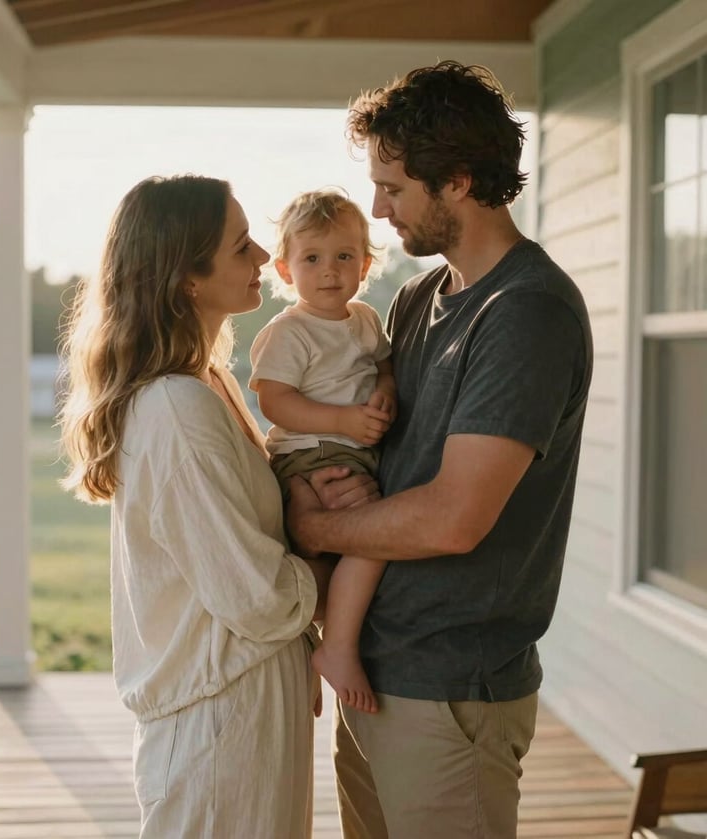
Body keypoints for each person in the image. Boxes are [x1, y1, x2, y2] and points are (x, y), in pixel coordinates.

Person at [285, 61, 594, 839]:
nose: (378, 208)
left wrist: (316, 530)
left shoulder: (526, 312)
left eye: (393, 187)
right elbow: (385, 460)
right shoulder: (423, 296)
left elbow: (453, 518)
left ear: (456, 180)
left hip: (453, 692)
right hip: (374, 671)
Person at [58, 174, 364, 838]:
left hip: (252, 704)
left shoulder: (212, 380)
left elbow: (243, 534)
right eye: (240, 245)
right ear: (187, 277)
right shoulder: (174, 407)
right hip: (220, 724)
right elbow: (254, 593)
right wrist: (325, 560)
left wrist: (309, 495)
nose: (263, 257)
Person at [249, 188, 396, 714]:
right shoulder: (289, 332)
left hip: (352, 447)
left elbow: (382, 365)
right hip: (311, 452)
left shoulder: (365, 321)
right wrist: (344, 420)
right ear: (286, 271)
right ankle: (336, 644)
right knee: (373, 536)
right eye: (312, 259)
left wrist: (386, 393)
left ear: (366, 264)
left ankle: (324, 638)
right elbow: (275, 401)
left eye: (343, 257)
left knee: (349, 550)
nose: (330, 271)